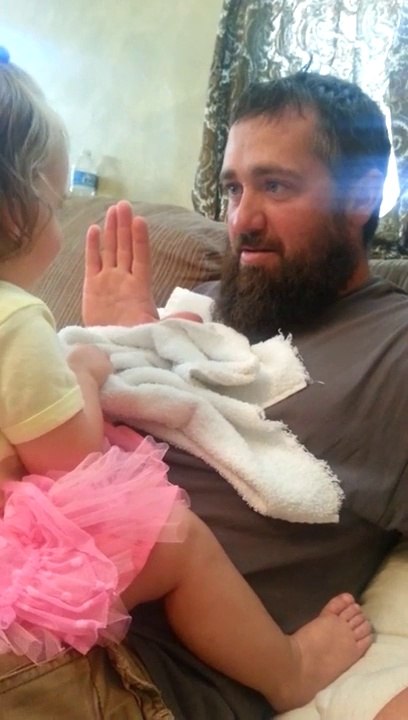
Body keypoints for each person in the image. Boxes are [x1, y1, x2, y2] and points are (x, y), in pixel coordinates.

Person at [0, 55, 374, 715]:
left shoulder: (390, 344)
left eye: (276, 185)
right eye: (231, 189)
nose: (241, 219)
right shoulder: (184, 305)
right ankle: (288, 669)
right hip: (40, 617)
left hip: (109, 664)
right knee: (177, 538)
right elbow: (67, 443)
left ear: (363, 195)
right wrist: (114, 346)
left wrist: (113, 345)